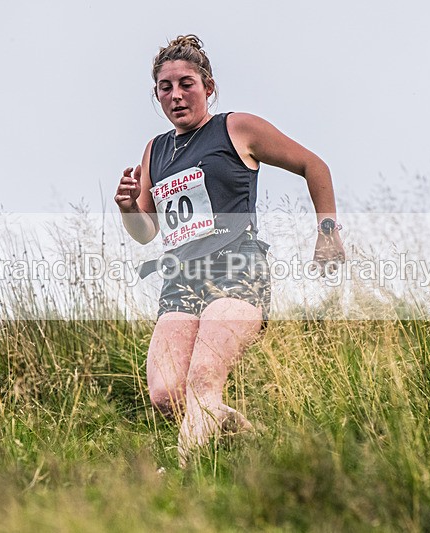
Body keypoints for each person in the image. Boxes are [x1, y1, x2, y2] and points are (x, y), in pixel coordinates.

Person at [114, 35, 345, 465]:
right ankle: (255, 444)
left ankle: (187, 478)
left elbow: (314, 165)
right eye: (166, 87)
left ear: (208, 86)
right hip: (180, 279)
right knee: (166, 395)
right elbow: (145, 232)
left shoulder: (235, 128)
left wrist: (327, 229)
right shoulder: (155, 150)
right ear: (156, 95)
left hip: (236, 269)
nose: (177, 95)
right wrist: (129, 206)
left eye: (187, 83)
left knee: (204, 379)